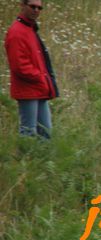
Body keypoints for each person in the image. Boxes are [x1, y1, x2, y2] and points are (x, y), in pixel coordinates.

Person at [4, 0, 59, 138]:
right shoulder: (17, 32)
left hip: (39, 88)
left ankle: (43, 159)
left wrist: (43, 80)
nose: (36, 10)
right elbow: (19, 66)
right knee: (28, 131)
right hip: (27, 89)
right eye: (32, 6)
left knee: (45, 132)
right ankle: (26, 160)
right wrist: (40, 77)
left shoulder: (29, 29)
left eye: (39, 8)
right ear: (22, 6)